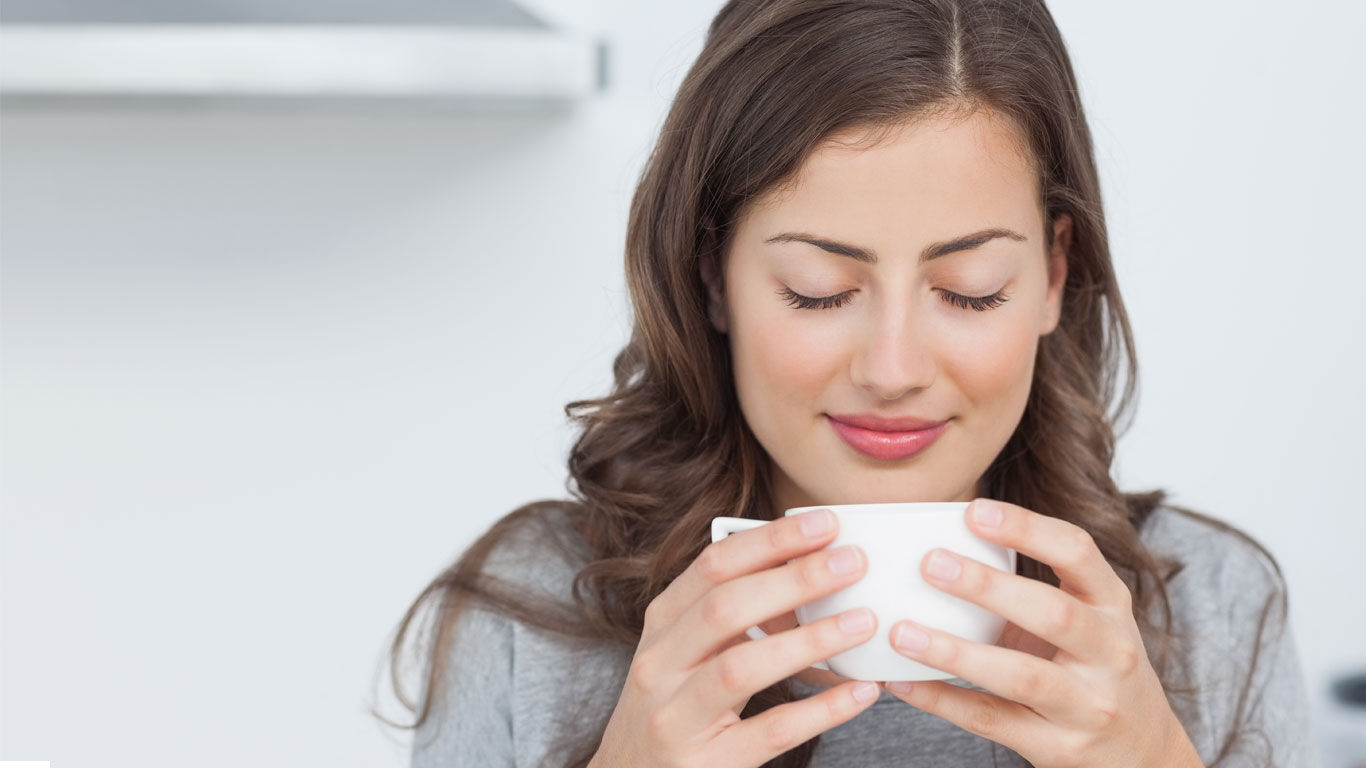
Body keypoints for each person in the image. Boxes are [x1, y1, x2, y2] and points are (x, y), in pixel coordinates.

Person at [378, 1, 1318, 765]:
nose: (894, 371)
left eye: (969, 291)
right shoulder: (529, 615)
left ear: (1054, 276)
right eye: (818, 293)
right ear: (714, 277)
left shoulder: (1212, 609)